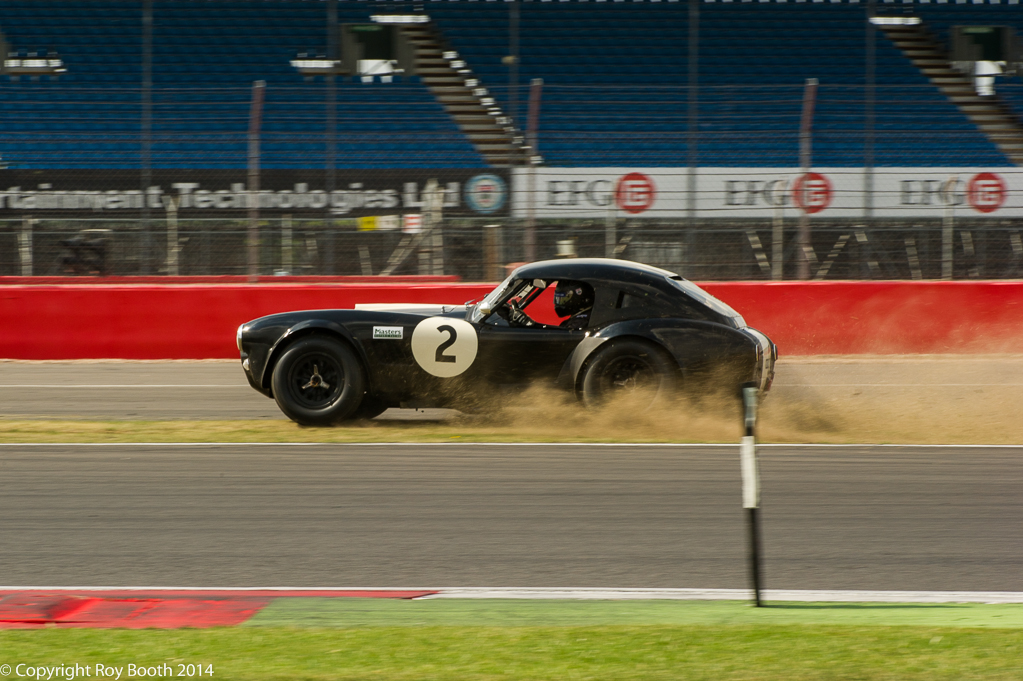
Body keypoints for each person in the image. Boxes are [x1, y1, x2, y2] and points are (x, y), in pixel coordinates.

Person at [505, 280, 594, 330]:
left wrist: (530, 324)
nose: (559, 304)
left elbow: (560, 340)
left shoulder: (581, 321)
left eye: (563, 299)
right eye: (558, 299)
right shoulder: (579, 318)